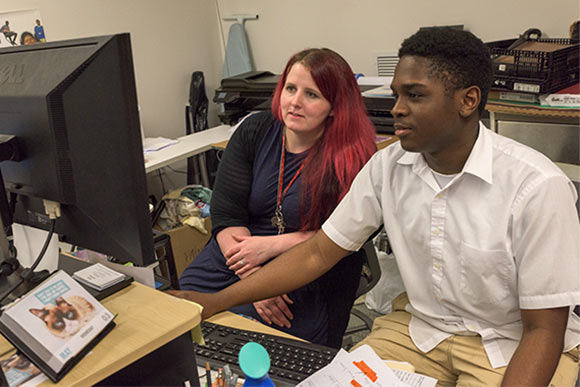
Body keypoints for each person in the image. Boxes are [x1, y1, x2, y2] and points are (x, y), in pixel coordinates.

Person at [169, 28, 580, 386]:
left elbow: (544, 331)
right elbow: (316, 253)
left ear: (468, 100)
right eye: (398, 94)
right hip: (420, 330)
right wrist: (213, 301)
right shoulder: (388, 166)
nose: (397, 108)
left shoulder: (536, 187)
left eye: (415, 96)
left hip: (508, 341)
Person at [176, 48, 377, 347]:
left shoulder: (354, 157)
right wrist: (255, 279)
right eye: (290, 88)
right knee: (181, 312)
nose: (295, 102)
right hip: (238, 254)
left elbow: (343, 237)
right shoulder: (255, 131)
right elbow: (228, 214)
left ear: (335, 107)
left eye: (312, 94)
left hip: (308, 266)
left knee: (259, 344)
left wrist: (270, 255)